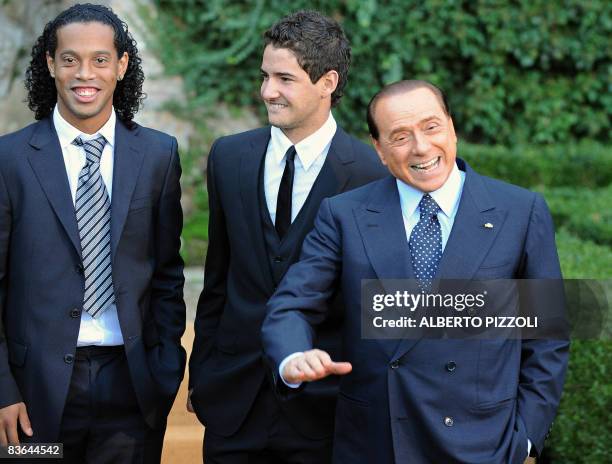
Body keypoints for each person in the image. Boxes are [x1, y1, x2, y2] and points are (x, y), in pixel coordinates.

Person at [262, 80, 569, 464]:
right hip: (377, 442)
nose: (421, 147)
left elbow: (547, 335)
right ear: (379, 149)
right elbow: (291, 304)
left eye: (431, 127)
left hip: (484, 443)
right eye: (400, 136)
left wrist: (525, 436)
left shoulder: (520, 211)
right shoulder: (344, 215)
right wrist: (292, 357)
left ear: (452, 127)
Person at [188, 10, 387, 464]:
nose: (267, 92)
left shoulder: (371, 175)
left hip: (326, 409)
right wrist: (203, 375)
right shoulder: (228, 157)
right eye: (264, 76)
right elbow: (218, 279)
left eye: (284, 78)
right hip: (232, 402)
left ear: (328, 81)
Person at [0, 4, 185, 462]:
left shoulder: (159, 155)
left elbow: (166, 273)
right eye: (70, 59)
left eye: (101, 59)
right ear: (50, 64)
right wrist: (3, 389)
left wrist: (165, 371)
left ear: (121, 65)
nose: (86, 73)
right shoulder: (10, 160)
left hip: (133, 389)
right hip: (32, 397)